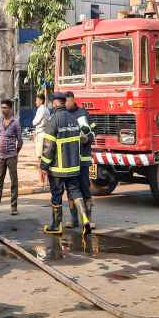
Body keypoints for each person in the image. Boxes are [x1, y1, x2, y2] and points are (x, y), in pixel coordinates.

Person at [40, 92, 91, 234]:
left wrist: (44, 165)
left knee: (56, 194)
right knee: (75, 191)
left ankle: (56, 225)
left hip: (57, 168)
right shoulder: (73, 119)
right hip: (74, 166)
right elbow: (82, 139)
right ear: (63, 102)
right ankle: (85, 219)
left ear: (55, 104)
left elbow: (48, 146)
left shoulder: (53, 120)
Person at [64, 91, 95, 229]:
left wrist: (87, 138)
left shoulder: (83, 114)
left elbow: (93, 131)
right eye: (64, 102)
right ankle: (74, 219)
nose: (66, 104)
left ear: (73, 100)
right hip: (70, 161)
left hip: (82, 160)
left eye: (68, 101)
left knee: (84, 188)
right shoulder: (64, 115)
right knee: (71, 190)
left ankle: (88, 219)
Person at [0, 99, 23, 215]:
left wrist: (15, 153)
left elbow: (20, 140)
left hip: (12, 156)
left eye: (5, 108)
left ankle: (14, 207)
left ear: (10, 109)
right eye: (2, 108)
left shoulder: (15, 123)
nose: (3, 110)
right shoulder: (0, 121)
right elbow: (1, 135)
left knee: (14, 182)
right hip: (1, 156)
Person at [32, 94, 50, 187]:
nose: (36, 102)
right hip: (45, 133)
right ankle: (45, 180)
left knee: (40, 158)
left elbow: (35, 122)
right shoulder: (46, 109)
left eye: (37, 100)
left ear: (41, 101)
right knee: (45, 158)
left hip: (40, 134)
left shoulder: (41, 109)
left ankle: (42, 180)